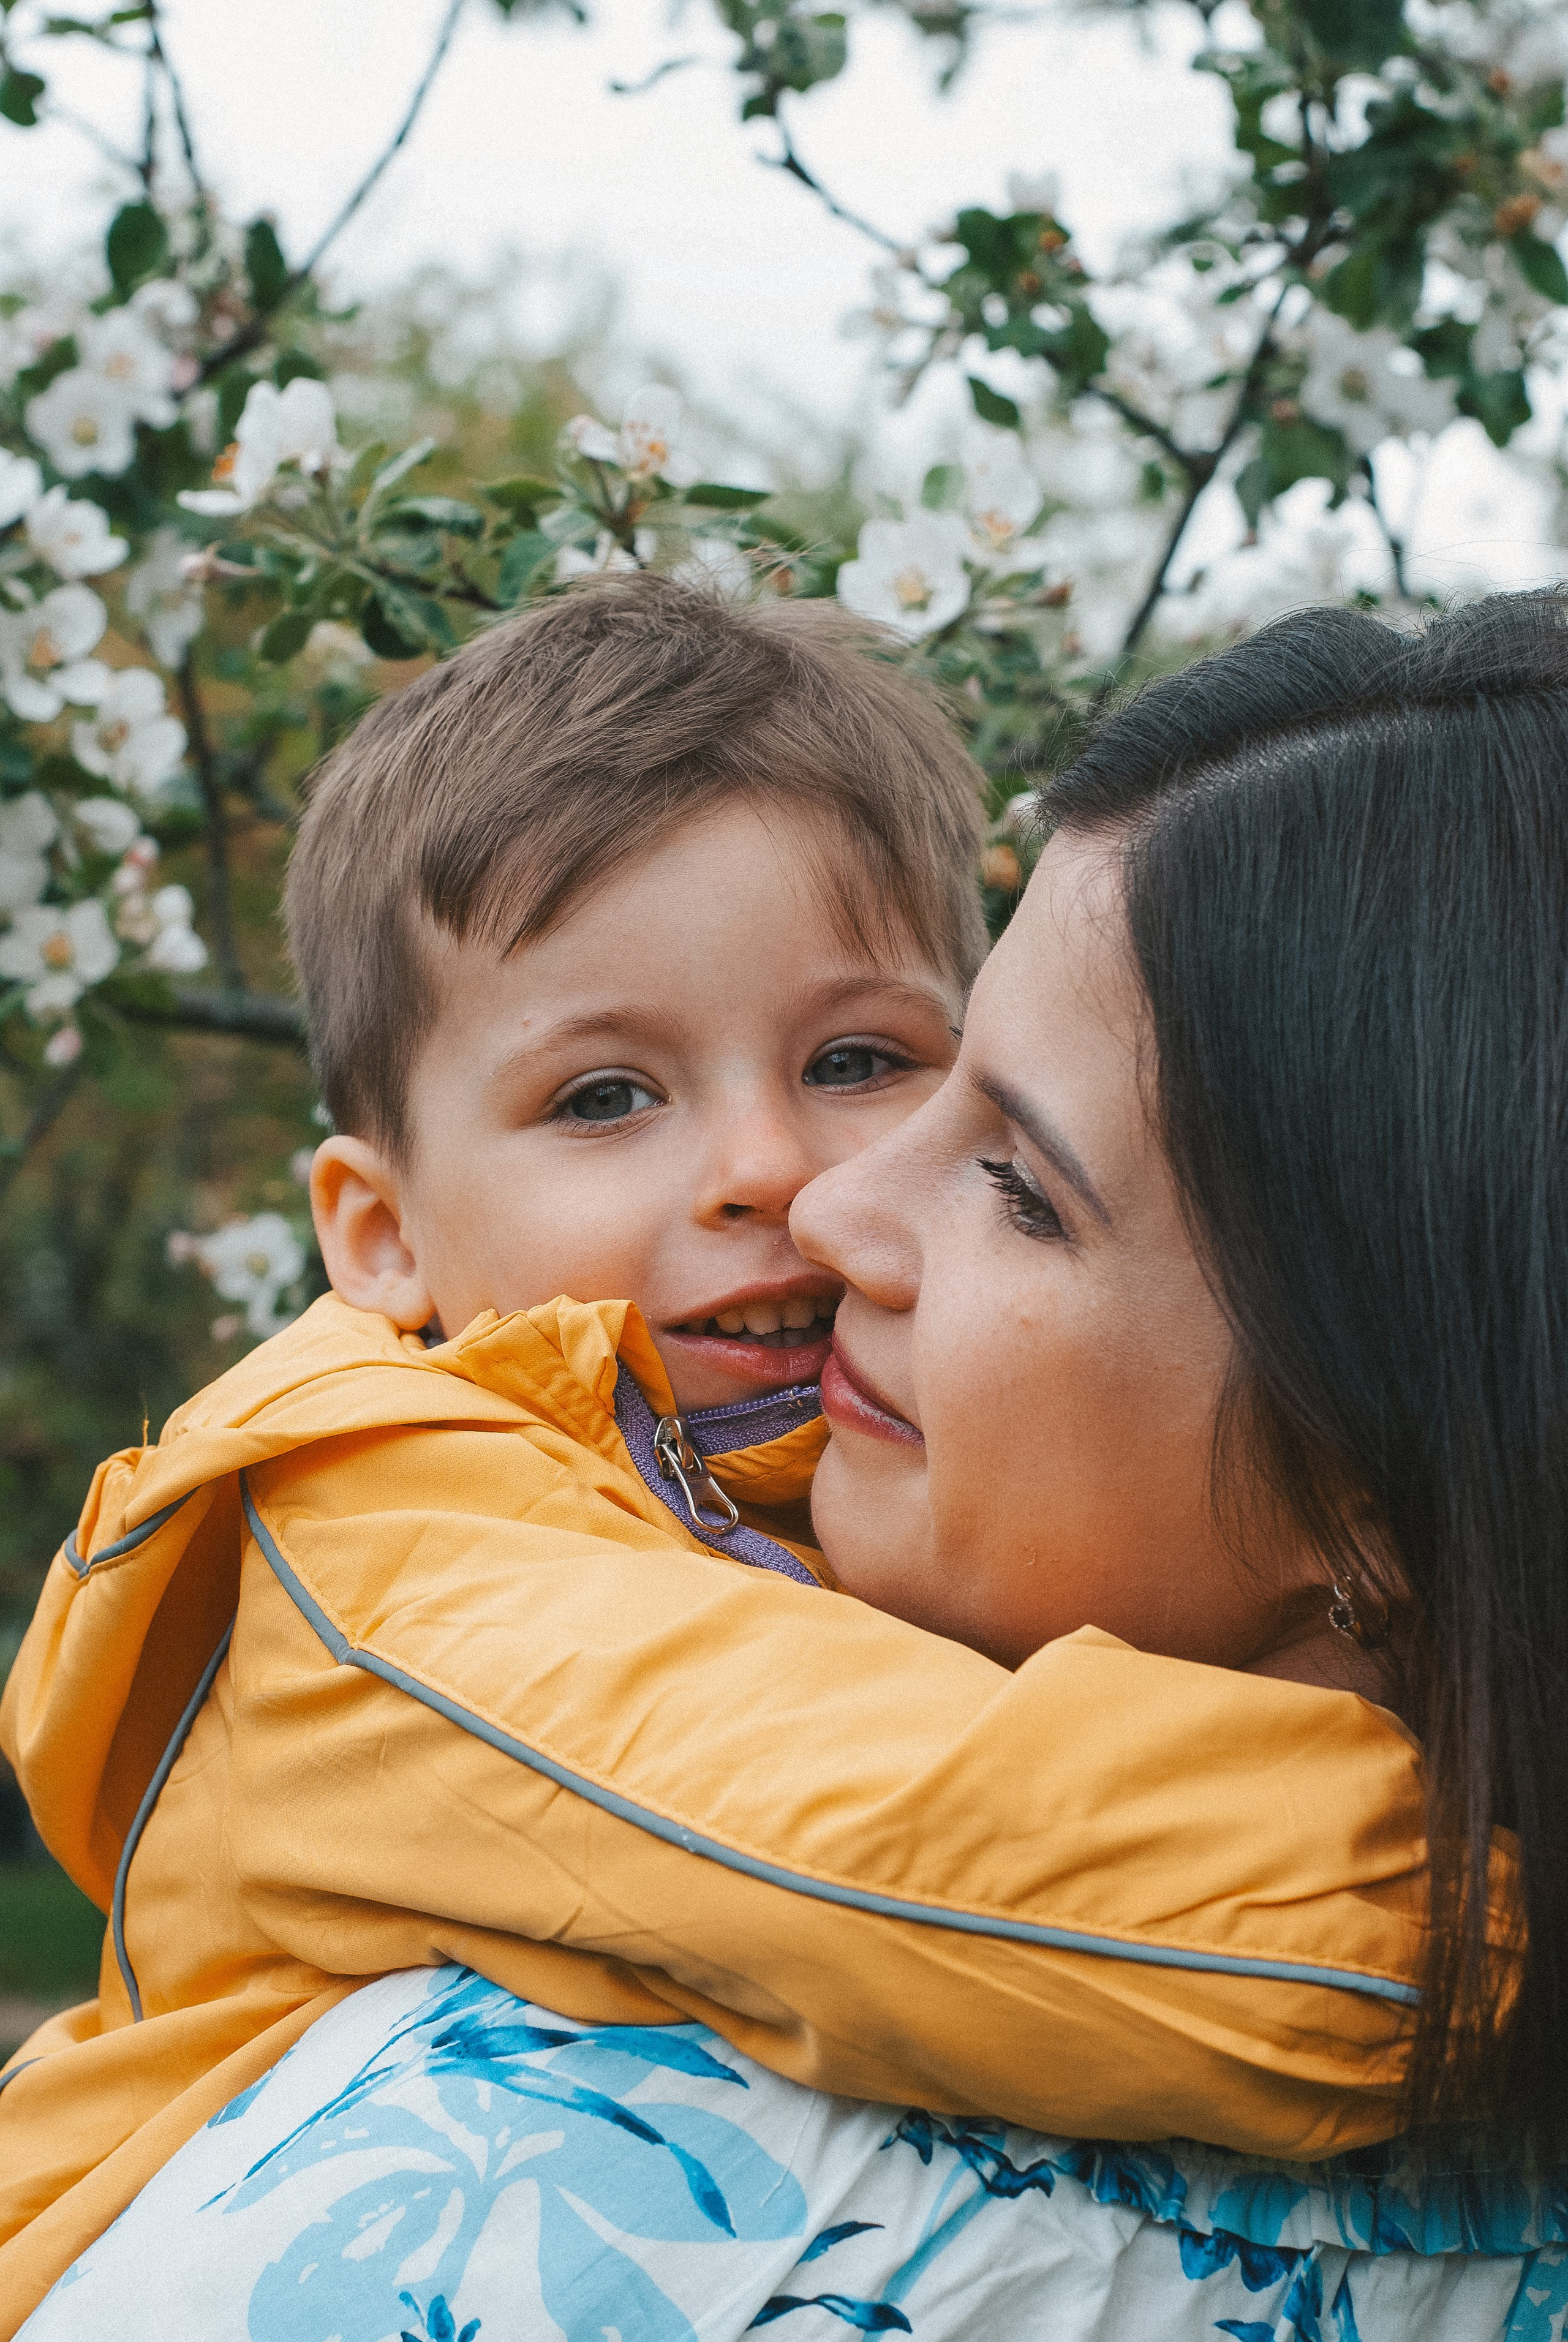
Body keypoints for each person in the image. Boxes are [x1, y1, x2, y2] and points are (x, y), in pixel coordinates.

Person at [6, 582, 1528, 2339]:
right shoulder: (393, 1537)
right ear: (379, 1234)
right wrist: (1501, 1911)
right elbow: (926, 1842)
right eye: (603, 1099)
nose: (779, 1173)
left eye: (866, 1061)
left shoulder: (823, 1485)